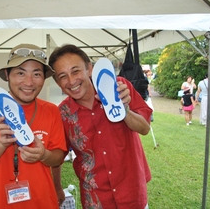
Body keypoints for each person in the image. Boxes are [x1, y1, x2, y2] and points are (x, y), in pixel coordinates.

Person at [49, 44, 152, 208]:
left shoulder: (118, 87)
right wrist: (57, 188)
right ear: (57, 82)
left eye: (75, 71)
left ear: (89, 68)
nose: (71, 81)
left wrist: (123, 109)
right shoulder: (62, 114)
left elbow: (145, 128)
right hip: (95, 200)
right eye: (63, 76)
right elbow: (57, 156)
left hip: (132, 194)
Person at [0, 43, 67, 208]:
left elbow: (58, 157)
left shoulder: (51, 111)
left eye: (36, 74)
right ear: (7, 74)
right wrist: (0, 144)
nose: (29, 82)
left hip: (44, 202)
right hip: (1, 203)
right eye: (20, 73)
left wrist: (43, 155)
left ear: (43, 78)